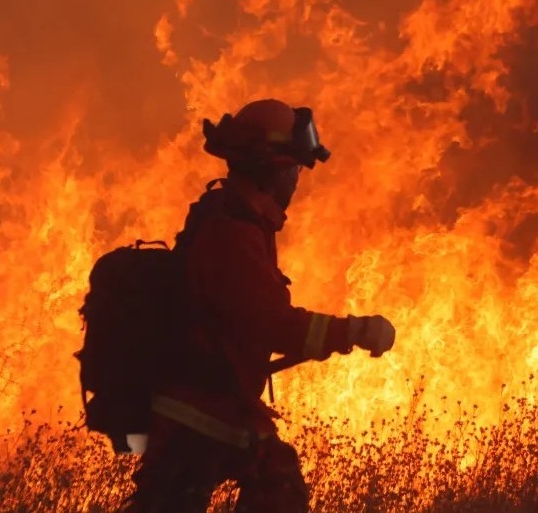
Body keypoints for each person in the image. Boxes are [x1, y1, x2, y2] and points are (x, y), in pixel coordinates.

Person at [120, 99, 397, 513]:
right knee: (275, 487)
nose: (297, 181)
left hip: (212, 405)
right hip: (197, 411)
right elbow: (270, 323)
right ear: (271, 170)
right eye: (294, 169)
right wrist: (352, 332)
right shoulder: (232, 233)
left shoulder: (242, 221)